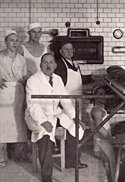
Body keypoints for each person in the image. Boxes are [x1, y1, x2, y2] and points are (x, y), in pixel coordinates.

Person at [25, 53, 82, 182]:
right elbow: (32, 105)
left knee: (75, 126)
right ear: (40, 65)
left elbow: (65, 100)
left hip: (54, 114)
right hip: (35, 117)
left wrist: (74, 117)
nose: (48, 65)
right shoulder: (32, 80)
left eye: (51, 62)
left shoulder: (57, 79)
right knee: (45, 134)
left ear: (55, 65)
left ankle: (71, 161)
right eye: (45, 62)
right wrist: (43, 121)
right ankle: (46, 176)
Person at [0, 30, 30, 168]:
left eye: (16, 40)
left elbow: (24, 77)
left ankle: (20, 155)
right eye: (12, 40)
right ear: (6, 42)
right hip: (4, 92)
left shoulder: (21, 59)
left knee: (19, 124)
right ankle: (1, 158)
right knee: (2, 125)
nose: (15, 43)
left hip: (19, 92)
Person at [91, 86, 119, 182]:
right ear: (94, 96)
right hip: (101, 143)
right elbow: (99, 127)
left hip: (104, 142)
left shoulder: (100, 109)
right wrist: (111, 139)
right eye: (101, 94)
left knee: (109, 165)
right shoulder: (97, 110)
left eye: (105, 94)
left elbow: (103, 124)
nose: (104, 96)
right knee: (106, 166)